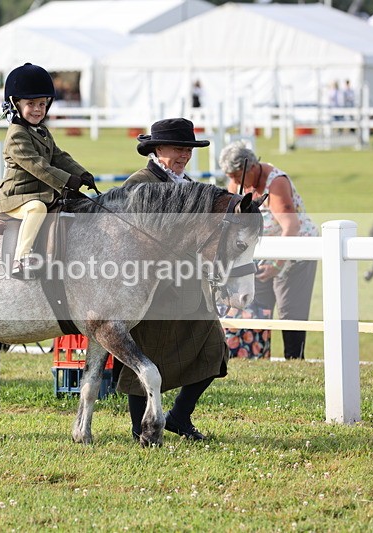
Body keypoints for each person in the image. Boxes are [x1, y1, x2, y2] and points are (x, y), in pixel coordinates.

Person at [116, 117, 224, 441]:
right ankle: (140, 430)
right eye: (178, 148)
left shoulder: (187, 183)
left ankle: (179, 416)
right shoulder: (140, 183)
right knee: (149, 357)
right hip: (152, 287)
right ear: (158, 149)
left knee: (214, 349)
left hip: (188, 284)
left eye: (188, 149)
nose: (184, 155)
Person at [0, 62, 95, 279]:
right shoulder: (16, 135)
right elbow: (37, 165)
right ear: (15, 104)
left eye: (42, 104)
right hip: (17, 197)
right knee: (36, 209)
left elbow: (58, 156)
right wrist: (66, 180)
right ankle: (21, 258)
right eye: (31, 104)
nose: (37, 109)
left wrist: (82, 174)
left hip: (41, 191)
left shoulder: (42, 131)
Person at [218, 141, 318, 360]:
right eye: (231, 176)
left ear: (252, 167)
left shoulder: (277, 183)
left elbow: (291, 226)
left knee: (289, 310)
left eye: (236, 175)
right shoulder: (237, 183)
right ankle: (258, 358)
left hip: (294, 252)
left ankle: (294, 359)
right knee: (256, 306)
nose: (233, 182)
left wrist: (276, 263)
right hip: (261, 254)